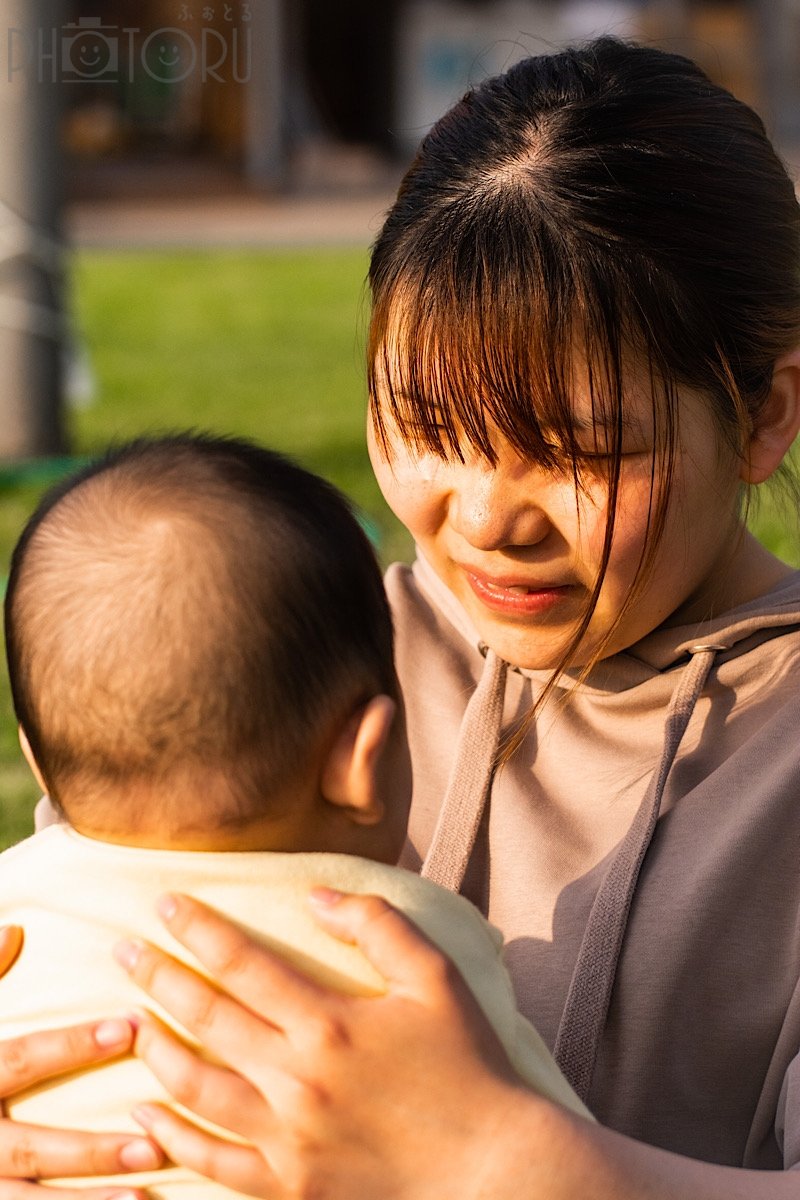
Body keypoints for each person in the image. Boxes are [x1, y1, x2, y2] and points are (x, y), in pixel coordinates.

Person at [0, 32, 799, 1200]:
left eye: (578, 452)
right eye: (423, 428)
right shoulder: (295, 659)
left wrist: (499, 1162)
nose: (482, 520)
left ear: (765, 414)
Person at [0, 433, 588, 1198]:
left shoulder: (19, 903)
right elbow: (559, 1160)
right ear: (362, 756)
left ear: (35, 761)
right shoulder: (412, 948)